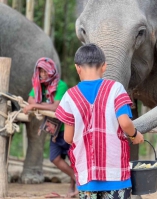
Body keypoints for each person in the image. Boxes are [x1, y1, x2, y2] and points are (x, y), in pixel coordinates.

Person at [55, 43, 144, 199]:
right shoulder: (116, 89)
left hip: (86, 175)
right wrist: (135, 135)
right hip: (116, 174)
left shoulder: (70, 96)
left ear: (77, 68)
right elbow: (124, 123)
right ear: (104, 67)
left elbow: (68, 138)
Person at [23, 57, 78, 198]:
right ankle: (79, 179)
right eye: (40, 71)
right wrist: (34, 103)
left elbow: (55, 106)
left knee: (73, 159)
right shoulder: (39, 85)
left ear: (52, 71)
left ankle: (73, 187)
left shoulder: (61, 86)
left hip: (68, 127)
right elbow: (30, 99)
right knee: (54, 158)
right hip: (54, 130)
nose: (42, 74)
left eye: (45, 71)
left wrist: (35, 105)